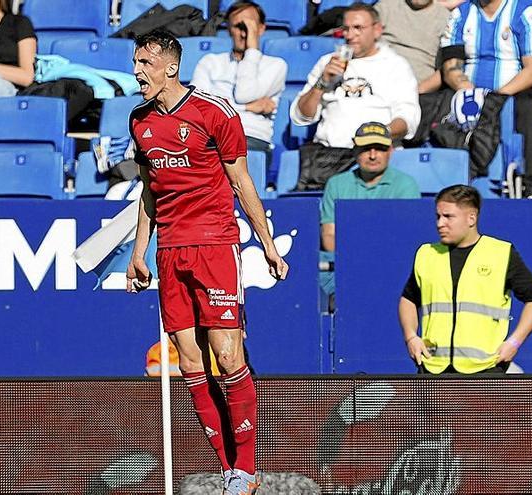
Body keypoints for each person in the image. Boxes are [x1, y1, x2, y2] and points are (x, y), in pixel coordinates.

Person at [125, 29, 288, 495]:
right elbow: (149, 192)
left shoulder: (213, 113)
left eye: (145, 63)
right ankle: (228, 471)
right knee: (190, 364)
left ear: (170, 66)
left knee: (228, 354)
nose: (138, 72)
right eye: (136, 63)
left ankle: (248, 467)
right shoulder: (139, 120)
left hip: (215, 246)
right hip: (169, 251)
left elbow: (242, 183)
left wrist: (268, 245)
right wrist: (139, 253)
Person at [398, 185, 532, 374]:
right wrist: (410, 337)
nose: (440, 223)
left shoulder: (500, 253)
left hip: (485, 368)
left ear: (471, 218)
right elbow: (408, 298)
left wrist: (514, 342)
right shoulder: (426, 254)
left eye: (448, 216)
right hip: (433, 368)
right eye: (438, 216)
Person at [290, 3, 420, 190]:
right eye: (346, 29)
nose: (349, 35)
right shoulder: (328, 62)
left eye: (358, 28)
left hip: (373, 155)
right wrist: (322, 82)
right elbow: (301, 116)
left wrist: (375, 134)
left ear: (377, 30)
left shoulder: (395, 65)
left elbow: (408, 119)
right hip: (328, 159)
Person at [439, 0, 532, 198]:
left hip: (513, 90)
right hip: (469, 90)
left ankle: (531, 183)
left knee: (528, 106)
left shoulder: (523, 12)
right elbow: (451, 66)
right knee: (440, 105)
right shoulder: (461, 14)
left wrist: (497, 96)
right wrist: (469, 92)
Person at [319, 122, 420, 297]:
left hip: (390, 264)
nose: (373, 155)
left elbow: (406, 238)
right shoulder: (336, 184)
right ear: (355, 150)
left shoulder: (406, 185)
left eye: (380, 148)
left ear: (391, 150)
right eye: (366, 149)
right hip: (345, 263)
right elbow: (329, 235)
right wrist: (358, 259)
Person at [189, 1, 287, 171]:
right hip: (211, 138)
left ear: (262, 29)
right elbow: (196, 108)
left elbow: (244, 94)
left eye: (250, 27)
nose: (244, 34)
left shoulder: (276, 66)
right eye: (239, 26)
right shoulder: (210, 62)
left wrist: (252, 52)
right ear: (228, 29)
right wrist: (248, 108)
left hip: (251, 139)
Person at [375, 0, 453, 95]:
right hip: (377, 83)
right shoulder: (386, 6)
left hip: (418, 92)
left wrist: (417, 91)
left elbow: (446, 69)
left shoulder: (446, 18)